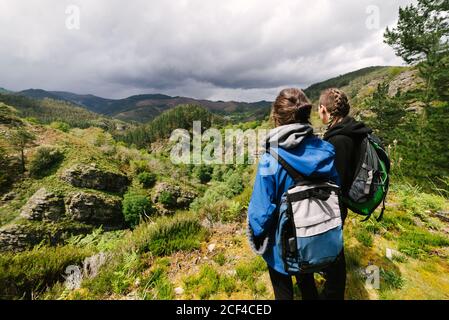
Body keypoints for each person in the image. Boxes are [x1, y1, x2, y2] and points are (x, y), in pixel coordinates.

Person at [247, 88, 340, 300]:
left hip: (283, 245)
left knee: (282, 288)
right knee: (306, 278)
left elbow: (260, 215)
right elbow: (336, 190)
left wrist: (257, 234)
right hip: (313, 237)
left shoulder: (270, 159)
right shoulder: (326, 151)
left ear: (275, 118)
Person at [315, 88, 373, 299]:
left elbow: (335, 180)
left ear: (324, 110)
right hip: (343, 200)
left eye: (318, 109)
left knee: (334, 249)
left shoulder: (339, 140)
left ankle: (333, 293)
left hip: (336, 204)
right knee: (333, 245)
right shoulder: (351, 130)